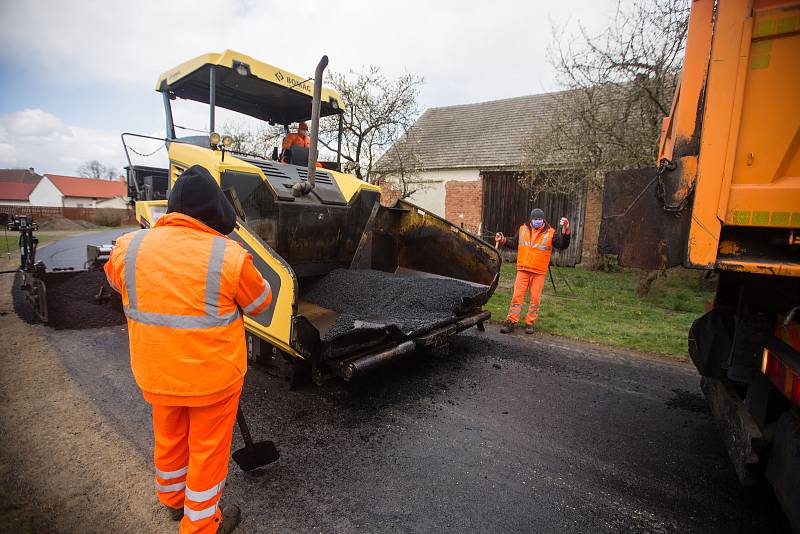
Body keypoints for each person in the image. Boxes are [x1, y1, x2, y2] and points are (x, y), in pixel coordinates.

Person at [105, 165, 273, 534]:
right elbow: (261, 303)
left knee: (169, 439)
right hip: (212, 380)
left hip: (157, 373)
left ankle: (171, 500)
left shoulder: (129, 247)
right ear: (214, 211)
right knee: (208, 452)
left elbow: (118, 282)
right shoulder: (229, 257)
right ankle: (200, 525)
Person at [495, 208, 570, 334]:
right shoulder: (523, 229)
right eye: (535, 219)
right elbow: (514, 243)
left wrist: (566, 230)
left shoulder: (551, 233)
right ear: (531, 219)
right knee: (517, 297)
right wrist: (502, 240)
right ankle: (511, 321)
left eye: (539, 219)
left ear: (543, 219)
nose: (537, 221)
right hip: (523, 270)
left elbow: (563, 245)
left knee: (535, 300)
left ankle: (530, 323)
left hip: (539, 272)